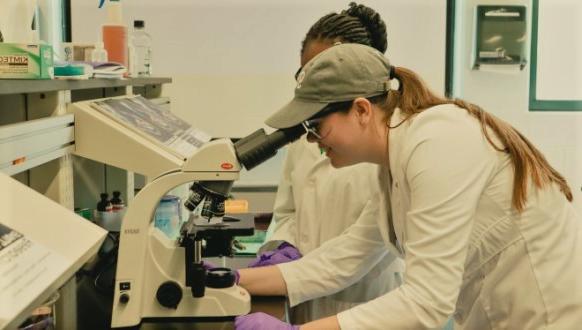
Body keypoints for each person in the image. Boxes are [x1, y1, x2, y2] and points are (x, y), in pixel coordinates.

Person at [235, 43, 582, 329]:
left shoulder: (437, 140)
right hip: (493, 312)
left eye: (316, 125)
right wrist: (231, 280)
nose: (312, 141)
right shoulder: (394, 160)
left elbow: (427, 301)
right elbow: (346, 258)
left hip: (544, 315)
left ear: (361, 110)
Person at [247, 3, 404, 324]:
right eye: (304, 74)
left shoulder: (389, 155)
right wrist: (281, 248)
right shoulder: (308, 134)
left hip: (366, 298)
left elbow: (353, 256)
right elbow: (288, 211)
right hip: (303, 290)